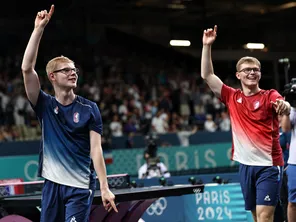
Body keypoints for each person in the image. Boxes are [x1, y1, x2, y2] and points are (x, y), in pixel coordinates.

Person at [21, 5, 118, 222]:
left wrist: (104, 187)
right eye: (66, 69)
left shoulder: (89, 108)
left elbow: (96, 149)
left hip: (79, 186)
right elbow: (27, 69)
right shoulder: (43, 104)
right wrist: (38, 29)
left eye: (74, 69)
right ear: (52, 77)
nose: (72, 72)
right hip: (52, 186)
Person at [201, 25, 291, 222]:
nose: (252, 72)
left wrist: (284, 106)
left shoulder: (269, 95)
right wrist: (206, 46)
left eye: (256, 70)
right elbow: (207, 76)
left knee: (264, 217)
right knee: (255, 216)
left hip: (268, 165)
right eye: (247, 70)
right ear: (238, 75)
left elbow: (282, 104)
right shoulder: (231, 97)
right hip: (245, 166)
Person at [282, 105, 296, 222]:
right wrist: (287, 112)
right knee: (292, 202)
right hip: (294, 162)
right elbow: (285, 128)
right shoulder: (294, 108)